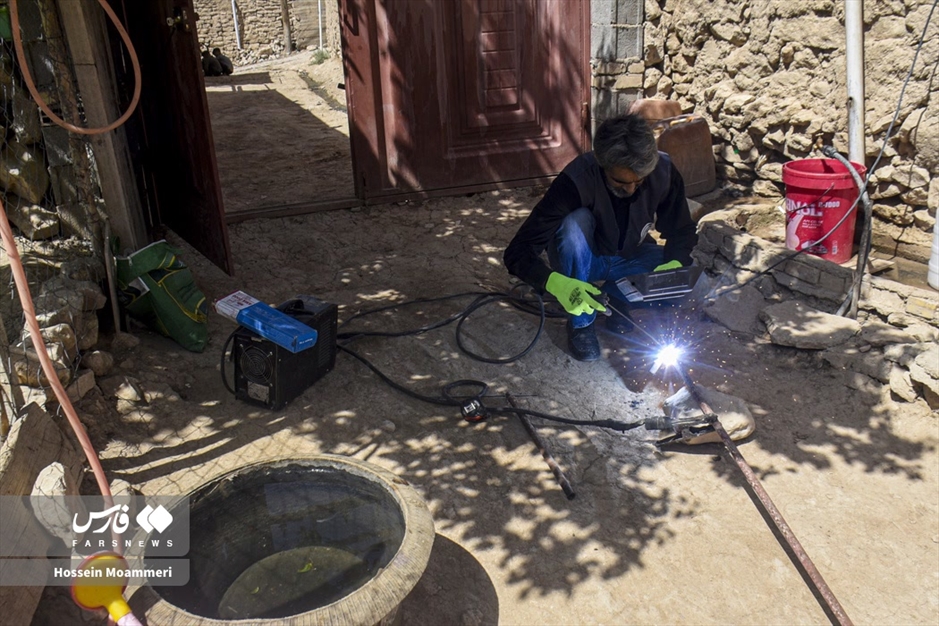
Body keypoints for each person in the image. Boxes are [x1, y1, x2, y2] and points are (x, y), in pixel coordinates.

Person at [503, 113, 698, 361]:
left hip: (630, 258)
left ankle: (615, 300)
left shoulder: (664, 171)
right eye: (620, 182)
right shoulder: (576, 180)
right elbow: (518, 252)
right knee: (573, 225)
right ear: (601, 164)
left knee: (688, 281)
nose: (630, 190)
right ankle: (581, 323)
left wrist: (674, 265)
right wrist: (556, 284)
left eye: (639, 182)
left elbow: (681, 232)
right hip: (586, 259)